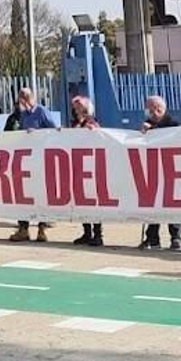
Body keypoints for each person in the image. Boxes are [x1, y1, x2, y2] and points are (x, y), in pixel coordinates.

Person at [9, 88, 55, 244]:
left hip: (41, 159)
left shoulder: (42, 112)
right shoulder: (23, 115)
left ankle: (42, 229)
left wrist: (38, 133)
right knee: (24, 193)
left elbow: (54, 131)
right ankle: (23, 228)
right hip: (27, 159)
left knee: (41, 193)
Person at [139, 95, 181, 251]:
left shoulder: (173, 123)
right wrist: (143, 132)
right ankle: (152, 239)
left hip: (171, 169)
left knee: (172, 205)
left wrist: (154, 131)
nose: (149, 112)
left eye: (150, 108)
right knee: (153, 206)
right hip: (153, 169)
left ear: (158, 108)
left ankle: (176, 238)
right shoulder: (148, 124)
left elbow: (176, 139)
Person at [67, 96, 105, 248]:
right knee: (81, 200)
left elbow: (100, 137)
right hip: (78, 166)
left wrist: (92, 131)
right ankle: (87, 232)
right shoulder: (75, 124)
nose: (76, 110)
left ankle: (98, 234)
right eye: (75, 107)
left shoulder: (92, 123)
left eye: (79, 107)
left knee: (92, 201)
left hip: (91, 166)